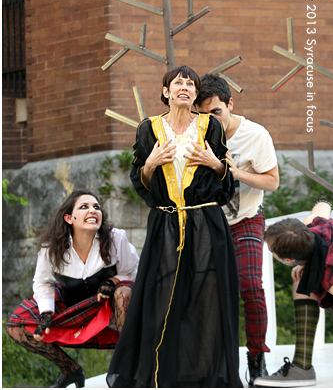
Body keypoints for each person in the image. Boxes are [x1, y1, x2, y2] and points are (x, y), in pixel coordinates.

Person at [106, 65, 243, 388]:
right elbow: (141, 184)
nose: (185, 87)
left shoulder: (210, 127)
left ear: (195, 95)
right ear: (166, 92)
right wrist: (151, 164)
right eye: (177, 83)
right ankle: (157, 377)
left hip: (207, 225)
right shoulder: (148, 130)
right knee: (160, 296)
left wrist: (214, 164)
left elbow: (225, 189)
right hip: (165, 224)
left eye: (190, 84)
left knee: (207, 300)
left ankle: (206, 377)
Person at [194, 74, 279, 387]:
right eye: (202, 115)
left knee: (249, 286)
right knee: (205, 293)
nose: (210, 120)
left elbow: (272, 180)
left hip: (245, 219)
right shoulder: (194, 134)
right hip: (208, 224)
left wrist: (235, 171)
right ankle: (214, 362)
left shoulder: (255, 135)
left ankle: (256, 359)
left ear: (230, 104)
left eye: (215, 112)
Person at [6, 189, 139, 388]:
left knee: (124, 293)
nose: (93, 210)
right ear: (69, 218)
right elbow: (42, 282)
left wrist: (113, 281)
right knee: (16, 326)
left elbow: (133, 272)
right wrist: (46, 312)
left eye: (97, 207)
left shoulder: (115, 238)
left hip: (108, 306)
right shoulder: (51, 247)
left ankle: (130, 370)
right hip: (71, 305)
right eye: (84, 207)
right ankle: (70, 370)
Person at [254, 200, 333, 387]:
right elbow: (323, 204)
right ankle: (302, 367)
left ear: (288, 259)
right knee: (302, 280)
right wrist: (307, 266)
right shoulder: (313, 225)